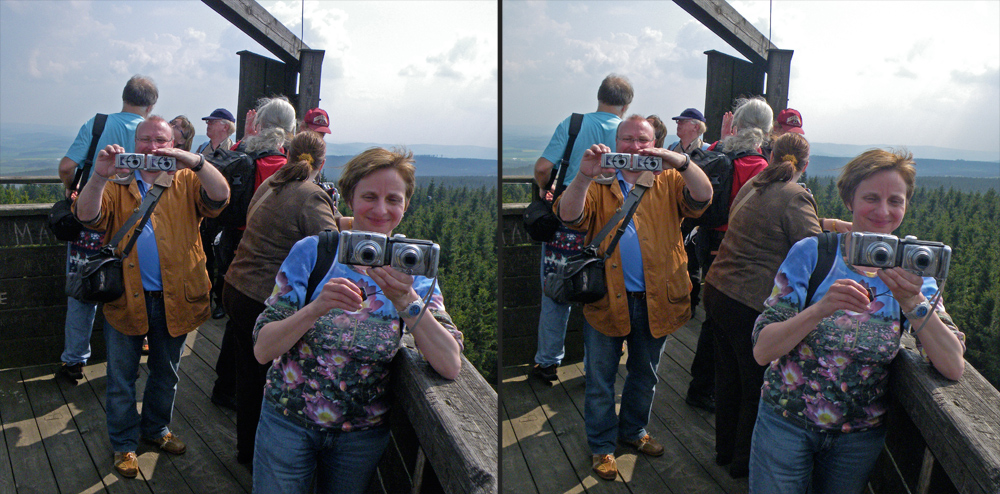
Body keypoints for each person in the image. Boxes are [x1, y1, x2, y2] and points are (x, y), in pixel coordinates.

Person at [748, 148, 966, 493]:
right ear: (849, 200)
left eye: (895, 200)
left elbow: (953, 365)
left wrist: (913, 301)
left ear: (907, 204)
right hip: (786, 424)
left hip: (857, 439)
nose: (883, 211)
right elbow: (763, 350)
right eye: (870, 198)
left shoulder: (913, 271)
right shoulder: (812, 253)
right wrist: (820, 309)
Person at [251, 147, 464, 493]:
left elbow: (450, 363)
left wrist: (406, 300)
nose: (381, 209)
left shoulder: (415, 272)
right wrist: (315, 308)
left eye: (393, 199)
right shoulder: (313, 252)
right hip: (287, 423)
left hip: (360, 437)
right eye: (369, 196)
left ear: (405, 205)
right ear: (349, 198)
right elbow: (263, 349)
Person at [555, 115, 713, 481]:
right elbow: (569, 216)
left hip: (659, 299)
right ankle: (602, 446)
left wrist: (682, 161)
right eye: (626, 139)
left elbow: (704, 197)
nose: (634, 147)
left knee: (646, 375)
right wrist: (583, 175)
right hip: (607, 299)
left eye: (642, 141)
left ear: (655, 142)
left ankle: (634, 432)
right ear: (615, 142)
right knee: (600, 378)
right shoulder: (600, 180)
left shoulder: (669, 178)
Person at [73, 116, 230, 479]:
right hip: (126, 297)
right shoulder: (117, 180)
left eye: (161, 140)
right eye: (145, 140)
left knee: (166, 373)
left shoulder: (187, 178)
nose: (152, 147)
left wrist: (197, 161)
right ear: (134, 141)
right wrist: (98, 174)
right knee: (121, 376)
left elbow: (221, 197)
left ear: (173, 142)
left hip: (178, 296)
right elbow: (87, 216)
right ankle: (124, 443)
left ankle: (156, 429)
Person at [703, 133, 822, 478]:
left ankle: (724, 451)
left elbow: (773, 226)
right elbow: (812, 248)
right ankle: (744, 463)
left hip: (718, 289)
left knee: (728, 380)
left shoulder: (755, 183)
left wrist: (830, 226)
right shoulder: (796, 195)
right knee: (756, 386)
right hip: (748, 301)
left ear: (770, 155)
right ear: (806, 165)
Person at [221, 130, 340, 465]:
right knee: (268, 383)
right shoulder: (313, 196)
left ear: (287, 153)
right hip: (263, 298)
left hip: (237, 287)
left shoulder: (270, 183)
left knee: (248, 375)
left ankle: (246, 450)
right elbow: (329, 248)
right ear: (322, 162)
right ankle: (266, 458)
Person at [530, 74, 633, 382]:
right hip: (608, 225)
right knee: (600, 292)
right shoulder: (627, 135)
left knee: (555, 293)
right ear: (626, 106)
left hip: (567, 221)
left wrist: (543, 189)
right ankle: (594, 369)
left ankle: (547, 363)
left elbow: (542, 167)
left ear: (599, 96)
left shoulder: (573, 124)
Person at [55, 75, 157, 383]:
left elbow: (66, 166)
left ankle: (74, 361)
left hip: (91, 221)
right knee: (132, 287)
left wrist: (73, 190)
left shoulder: (97, 124)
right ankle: (131, 357)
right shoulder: (149, 135)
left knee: (82, 292)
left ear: (123, 96)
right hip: (132, 223)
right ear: (151, 106)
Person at [686, 96, 772, 413]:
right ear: (766, 129)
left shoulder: (716, 152)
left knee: (713, 316)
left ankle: (702, 385)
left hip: (705, 239)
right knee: (722, 321)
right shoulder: (758, 165)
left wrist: (725, 134)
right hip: (733, 246)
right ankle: (704, 387)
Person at [212, 96, 295, 401]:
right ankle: (238, 393)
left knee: (237, 319)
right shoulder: (283, 163)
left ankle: (223, 386)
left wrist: (248, 131)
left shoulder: (242, 150)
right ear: (290, 126)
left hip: (230, 241)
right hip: (262, 251)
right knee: (253, 323)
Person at [666, 107, 710, 313]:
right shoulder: (672, 147)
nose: (677, 124)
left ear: (695, 126)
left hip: (693, 213)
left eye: (682, 121)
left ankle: (690, 305)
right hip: (671, 210)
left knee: (691, 261)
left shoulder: (709, 151)